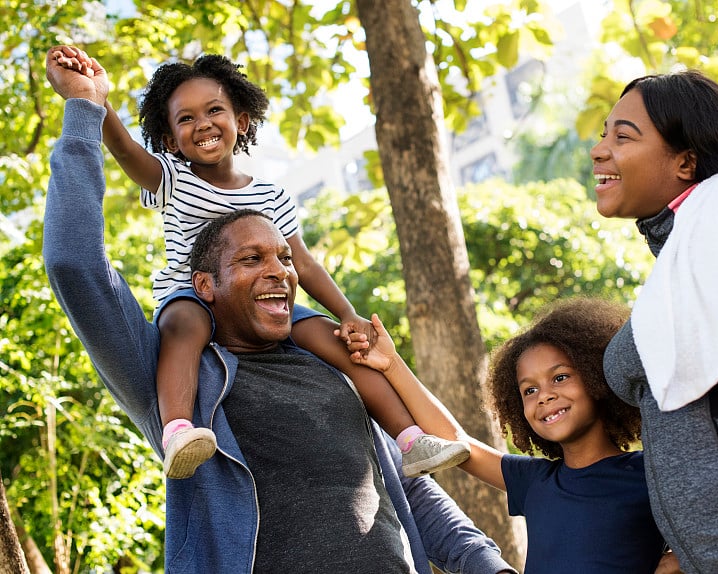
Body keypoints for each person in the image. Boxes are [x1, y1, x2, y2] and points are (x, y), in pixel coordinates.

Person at [42, 47, 516, 574]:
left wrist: (485, 564)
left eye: (282, 258)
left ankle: (413, 434)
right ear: (208, 284)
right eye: (250, 259)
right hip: (186, 340)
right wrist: (88, 105)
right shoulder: (180, 374)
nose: (279, 271)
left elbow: (411, 496)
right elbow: (74, 262)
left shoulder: (328, 369)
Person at [592, 69, 718, 573]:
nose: (599, 150)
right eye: (603, 133)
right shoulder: (681, 259)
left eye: (623, 136)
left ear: (686, 161)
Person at [340, 298, 678, 573]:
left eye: (559, 378)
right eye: (529, 390)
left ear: (597, 377)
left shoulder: (649, 473)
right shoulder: (534, 481)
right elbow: (456, 441)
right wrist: (393, 364)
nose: (543, 395)